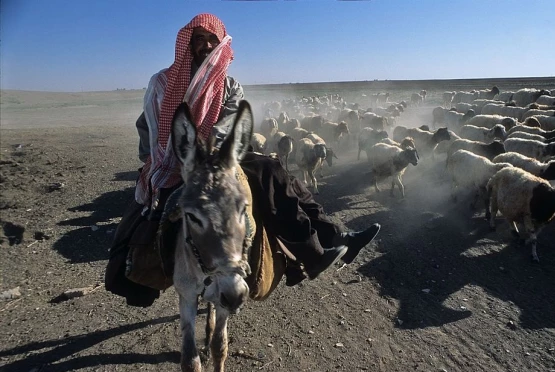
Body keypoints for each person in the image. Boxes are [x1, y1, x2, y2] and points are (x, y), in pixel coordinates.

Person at [105, 13, 380, 307]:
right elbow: (147, 125)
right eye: (199, 39)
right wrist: (155, 160)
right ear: (189, 43)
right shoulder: (161, 81)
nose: (206, 45)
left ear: (222, 44)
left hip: (220, 156)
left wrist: (214, 159)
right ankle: (136, 282)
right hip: (171, 159)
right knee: (141, 217)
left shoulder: (230, 85)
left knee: (275, 173)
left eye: (213, 40)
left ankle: (329, 243)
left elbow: (228, 127)